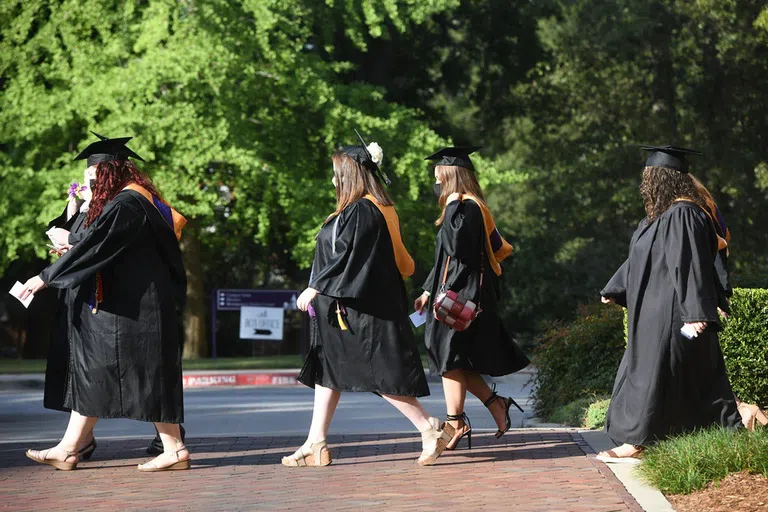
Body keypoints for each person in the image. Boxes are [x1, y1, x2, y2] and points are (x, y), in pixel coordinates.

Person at [19, 134, 190, 471]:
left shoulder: (129, 204)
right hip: (132, 308)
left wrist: (45, 276)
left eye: (93, 176)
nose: (90, 183)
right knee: (105, 373)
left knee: (134, 375)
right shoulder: (131, 201)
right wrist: (73, 213)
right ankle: (74, 448)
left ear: (107, 172)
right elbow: (98, 241)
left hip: (138, 311)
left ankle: (170, 448)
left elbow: (95, 245)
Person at [286, 131, 452, 467]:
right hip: (345, 308)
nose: (333, 179)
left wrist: (316, 286)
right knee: (328, 369)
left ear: (349, 176)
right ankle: (315, 442)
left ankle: (429, 427)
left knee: (374, 371)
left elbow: (349, 258)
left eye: (337, 173)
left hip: (361, 310)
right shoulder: (361, 209)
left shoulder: (363, 211)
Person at [597, 145, 743, 463]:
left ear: (661, 180)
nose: (644, 183)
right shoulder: (661, 217)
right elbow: (640, 258)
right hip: (654, 313)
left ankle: (637, 442)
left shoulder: (684, 214)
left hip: (674, 315)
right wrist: (617, 286)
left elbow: (689, 264)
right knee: (689, 378)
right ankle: (724, 435)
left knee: (658, 373)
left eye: (649, 177)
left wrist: (696, 313)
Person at [414, 147, 530, 450]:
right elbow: (443, 259)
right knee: (456, 360)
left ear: (450, 176)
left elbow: (457, 249)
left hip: (463, 297)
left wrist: (452, 204)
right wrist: (427, 290)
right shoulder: (463, 207)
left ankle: (455, 422)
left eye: (439, 175)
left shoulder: (467, 207)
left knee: (448, 357)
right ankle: (495, 405)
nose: (435, 181)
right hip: (453, 293)